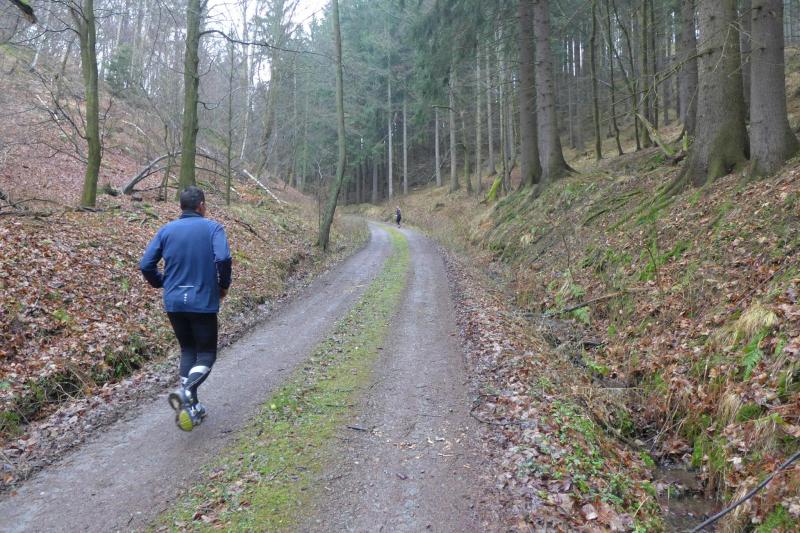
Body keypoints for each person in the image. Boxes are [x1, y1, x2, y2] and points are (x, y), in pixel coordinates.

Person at [139, 186, 232, 431]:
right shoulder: (213, 228)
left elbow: (146, 264)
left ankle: (192, 408)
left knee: (188, 350)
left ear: (181, 206)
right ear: (201, 205)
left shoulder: (166, 230)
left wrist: (161, 282)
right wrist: (223, 286)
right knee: (207, 354)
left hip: (174, 301)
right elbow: (223, 258)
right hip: (202, 300)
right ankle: (186, 391)